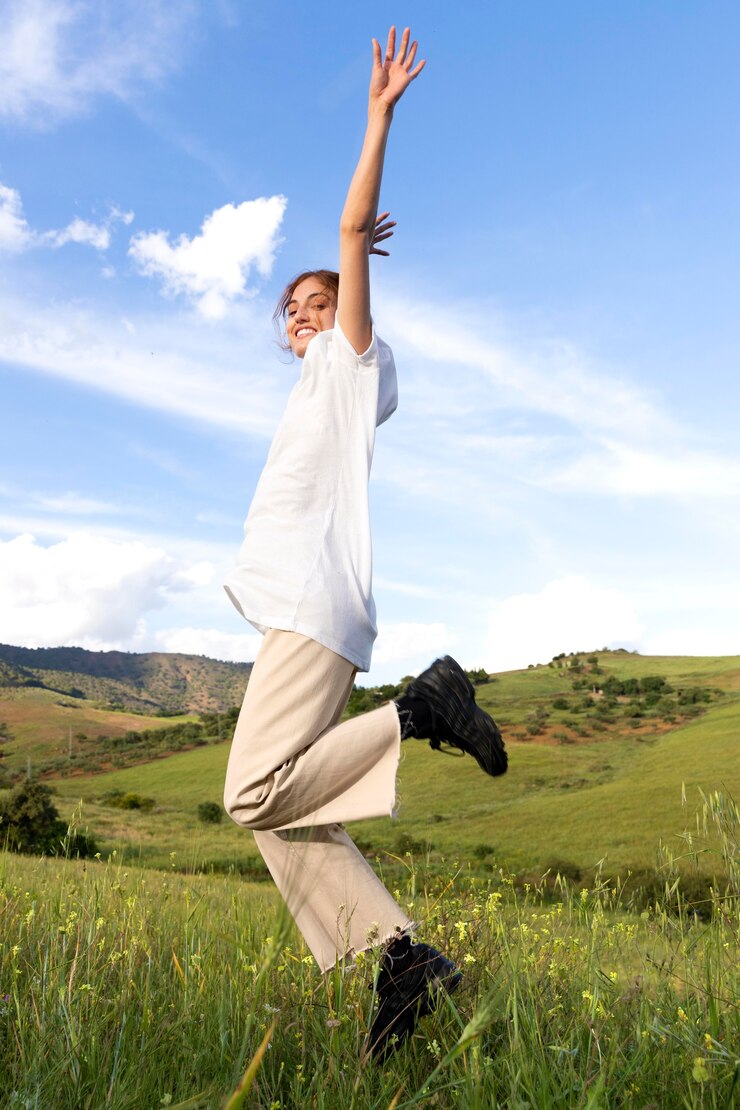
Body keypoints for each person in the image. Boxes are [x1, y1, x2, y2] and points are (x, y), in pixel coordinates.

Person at [223, 27, 507, 1060]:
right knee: (280, 812)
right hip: (303, 605)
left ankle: (425, 707)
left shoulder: (349, 366)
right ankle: (399, 962)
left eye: (315, 301)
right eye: (288, 312)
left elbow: (347, 234)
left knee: (251, 789)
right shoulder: (315, 387)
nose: (299, 317)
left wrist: (376, 117)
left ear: (345, 310)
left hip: (312, 599)